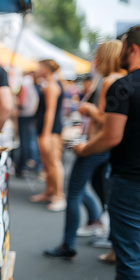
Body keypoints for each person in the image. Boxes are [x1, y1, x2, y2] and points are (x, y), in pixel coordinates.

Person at [44, 40, 126, 259]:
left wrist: (89, 110)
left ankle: (68, 244)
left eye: (98, 56)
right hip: (106, 148)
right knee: (102, 191)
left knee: (74, 193)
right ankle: (108, 237)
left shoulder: (110, 80)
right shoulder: (117, 79)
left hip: (95, 146)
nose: (94, 61)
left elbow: (106, 119)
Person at [73, 25, 140, 279]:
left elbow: (112, 135)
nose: (120, 51)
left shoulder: (123, 85)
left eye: (123, 46)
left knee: (130, 261)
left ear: (132, 48)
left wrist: (84, 149)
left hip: (130, 179)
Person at [30, 59, 66, 211]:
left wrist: (45, 135)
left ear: (45, 69)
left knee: (53, 162)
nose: (37, 70)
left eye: (39, 67)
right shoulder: (49, 84)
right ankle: (49, 192)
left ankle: (59, 195)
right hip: (47, 130)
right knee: (47, 163)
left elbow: (50, 112)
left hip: (50, 131)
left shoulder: (51, 86)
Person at [16, 72, 42, 176]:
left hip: (24, 115)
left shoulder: (25, 82)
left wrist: (15, 101)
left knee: (24, 141)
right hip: (32, 115)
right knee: (31, 140)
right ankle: (33, 164)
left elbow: (22, 102)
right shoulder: (35, 84)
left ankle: (22, 166)